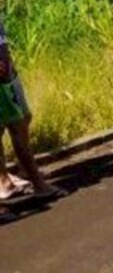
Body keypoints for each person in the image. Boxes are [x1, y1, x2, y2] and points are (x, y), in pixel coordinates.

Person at [0, 17, 64, 224]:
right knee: (17, 127)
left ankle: (32, 182)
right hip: (3, 80)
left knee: (20, 123)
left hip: (6, 79)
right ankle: (37, 184)